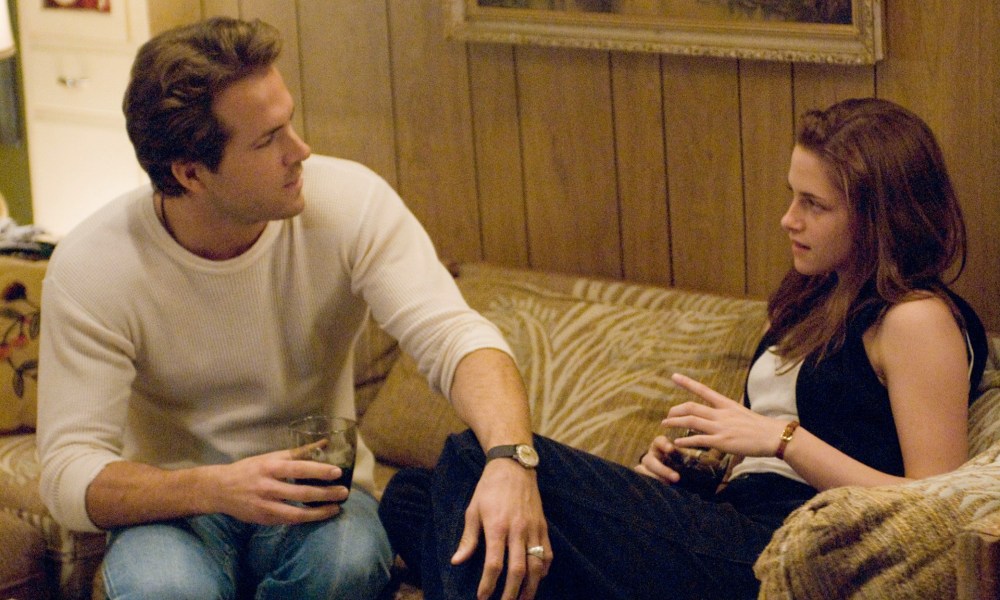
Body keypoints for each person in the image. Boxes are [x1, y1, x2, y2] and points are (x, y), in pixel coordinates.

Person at [378, 97, 989, 599]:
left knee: (476, 458)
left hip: (777, 551)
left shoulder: (916, 319)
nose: (787, 219)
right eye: (791, 195)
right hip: (724, 520)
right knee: (414, 497)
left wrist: (780, 440)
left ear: (880, 217)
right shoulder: (820, 297)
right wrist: (689, 468)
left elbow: (932, 508)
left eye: (814, 204)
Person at [35, 17, 548, 600]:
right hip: (174, 509)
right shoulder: (94, 264)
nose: (299, 151)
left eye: (290, 123)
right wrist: (216, 488)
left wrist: (510, 457)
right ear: (190, 173)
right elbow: (68, 473)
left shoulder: (349, 202)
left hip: (322, 501)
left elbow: (454, 336)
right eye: (266, 140)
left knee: (348, 564)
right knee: (165, 588)